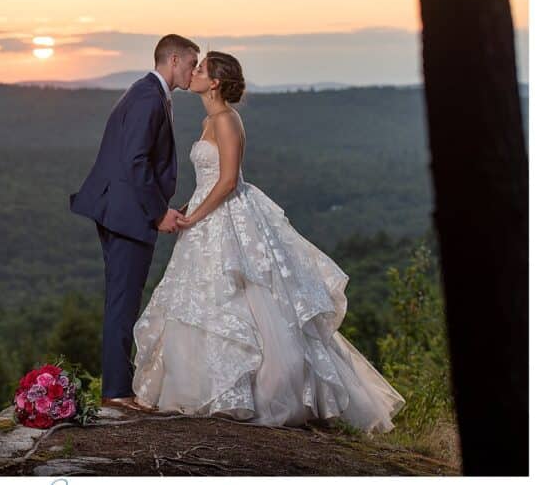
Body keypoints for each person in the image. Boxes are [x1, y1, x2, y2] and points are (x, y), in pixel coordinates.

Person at [131, 51, 405, 431]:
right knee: (201, 301)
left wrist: (195, 215)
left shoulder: (226, 119)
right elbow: (210, 180)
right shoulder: (210, 119)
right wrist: (189, 207)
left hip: (226, 215)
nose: (192, 73)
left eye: (201, 69)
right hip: (207, 213)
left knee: (249, 299)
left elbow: (227, 181)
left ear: (214, 83)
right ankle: (206, 388)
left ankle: (259, 392)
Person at [70, 34, 199, 412]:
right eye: (192, 63)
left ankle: (118, 387)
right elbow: (136, 160)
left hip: (123, 211)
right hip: (128, 216)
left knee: (121, 301)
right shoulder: (148, 97)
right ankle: (116, 392)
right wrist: (158, 212)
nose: (194, 71)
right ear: (173, 60)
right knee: (123, 303)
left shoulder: (148, 92)